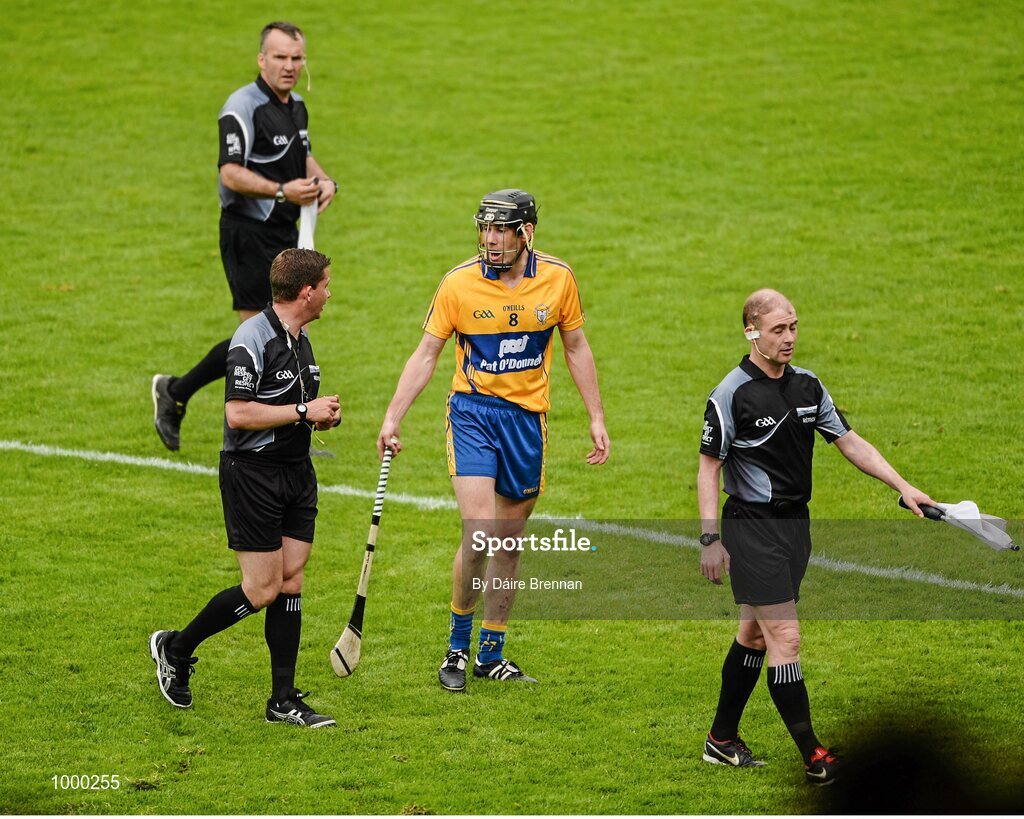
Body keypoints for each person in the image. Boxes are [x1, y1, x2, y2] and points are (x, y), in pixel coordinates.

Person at [697, 288, 933, 784]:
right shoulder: (731, 393)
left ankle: (720, 740)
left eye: (794, 326)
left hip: (795, 527)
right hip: (751, 526)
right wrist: (708, 539)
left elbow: (848, 441)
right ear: (752, 331)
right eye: (778, 329)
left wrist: (904, 486)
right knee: (786, 635)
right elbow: (708, 469)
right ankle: (815, 756)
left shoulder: (808, 386)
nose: (789, 338)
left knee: (755, 633)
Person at [377, 189, 610, 692]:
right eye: (485, 229)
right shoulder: (458, 284)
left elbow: (576, 345)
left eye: (501, 230)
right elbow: (425, 355)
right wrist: (393, 416)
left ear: (526, 233)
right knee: (480, 531)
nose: (490, 239)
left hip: (527, 421)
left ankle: (491, 651)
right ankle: (457, 647)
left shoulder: (558, 280)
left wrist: (596, 416)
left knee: (508, 540)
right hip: (473, 414)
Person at [150, 248, 341, 727]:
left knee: (291, 581)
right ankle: (175, 647)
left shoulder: (300, 338)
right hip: (252, 473)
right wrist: (303, 412)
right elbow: (237, 413)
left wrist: (318, 419)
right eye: (325, 285)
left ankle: (282, 700)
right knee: (261, 589)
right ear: (306, 291)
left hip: (296, 471)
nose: (329, 293)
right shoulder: (251, 338)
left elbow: (292, 403)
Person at [152, 21, 337, 452]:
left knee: (284, 327)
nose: (290, 66)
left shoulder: (297, 106)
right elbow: (229, 173)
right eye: (280, 58)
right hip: (248, 232)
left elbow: (302, 156)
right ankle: (182, 394)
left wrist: (326, 182)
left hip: (283, 232)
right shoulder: (242, 106)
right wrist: (280, 190)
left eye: (297, 58)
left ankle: (185, 394)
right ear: (261, 59)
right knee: (260, 331)